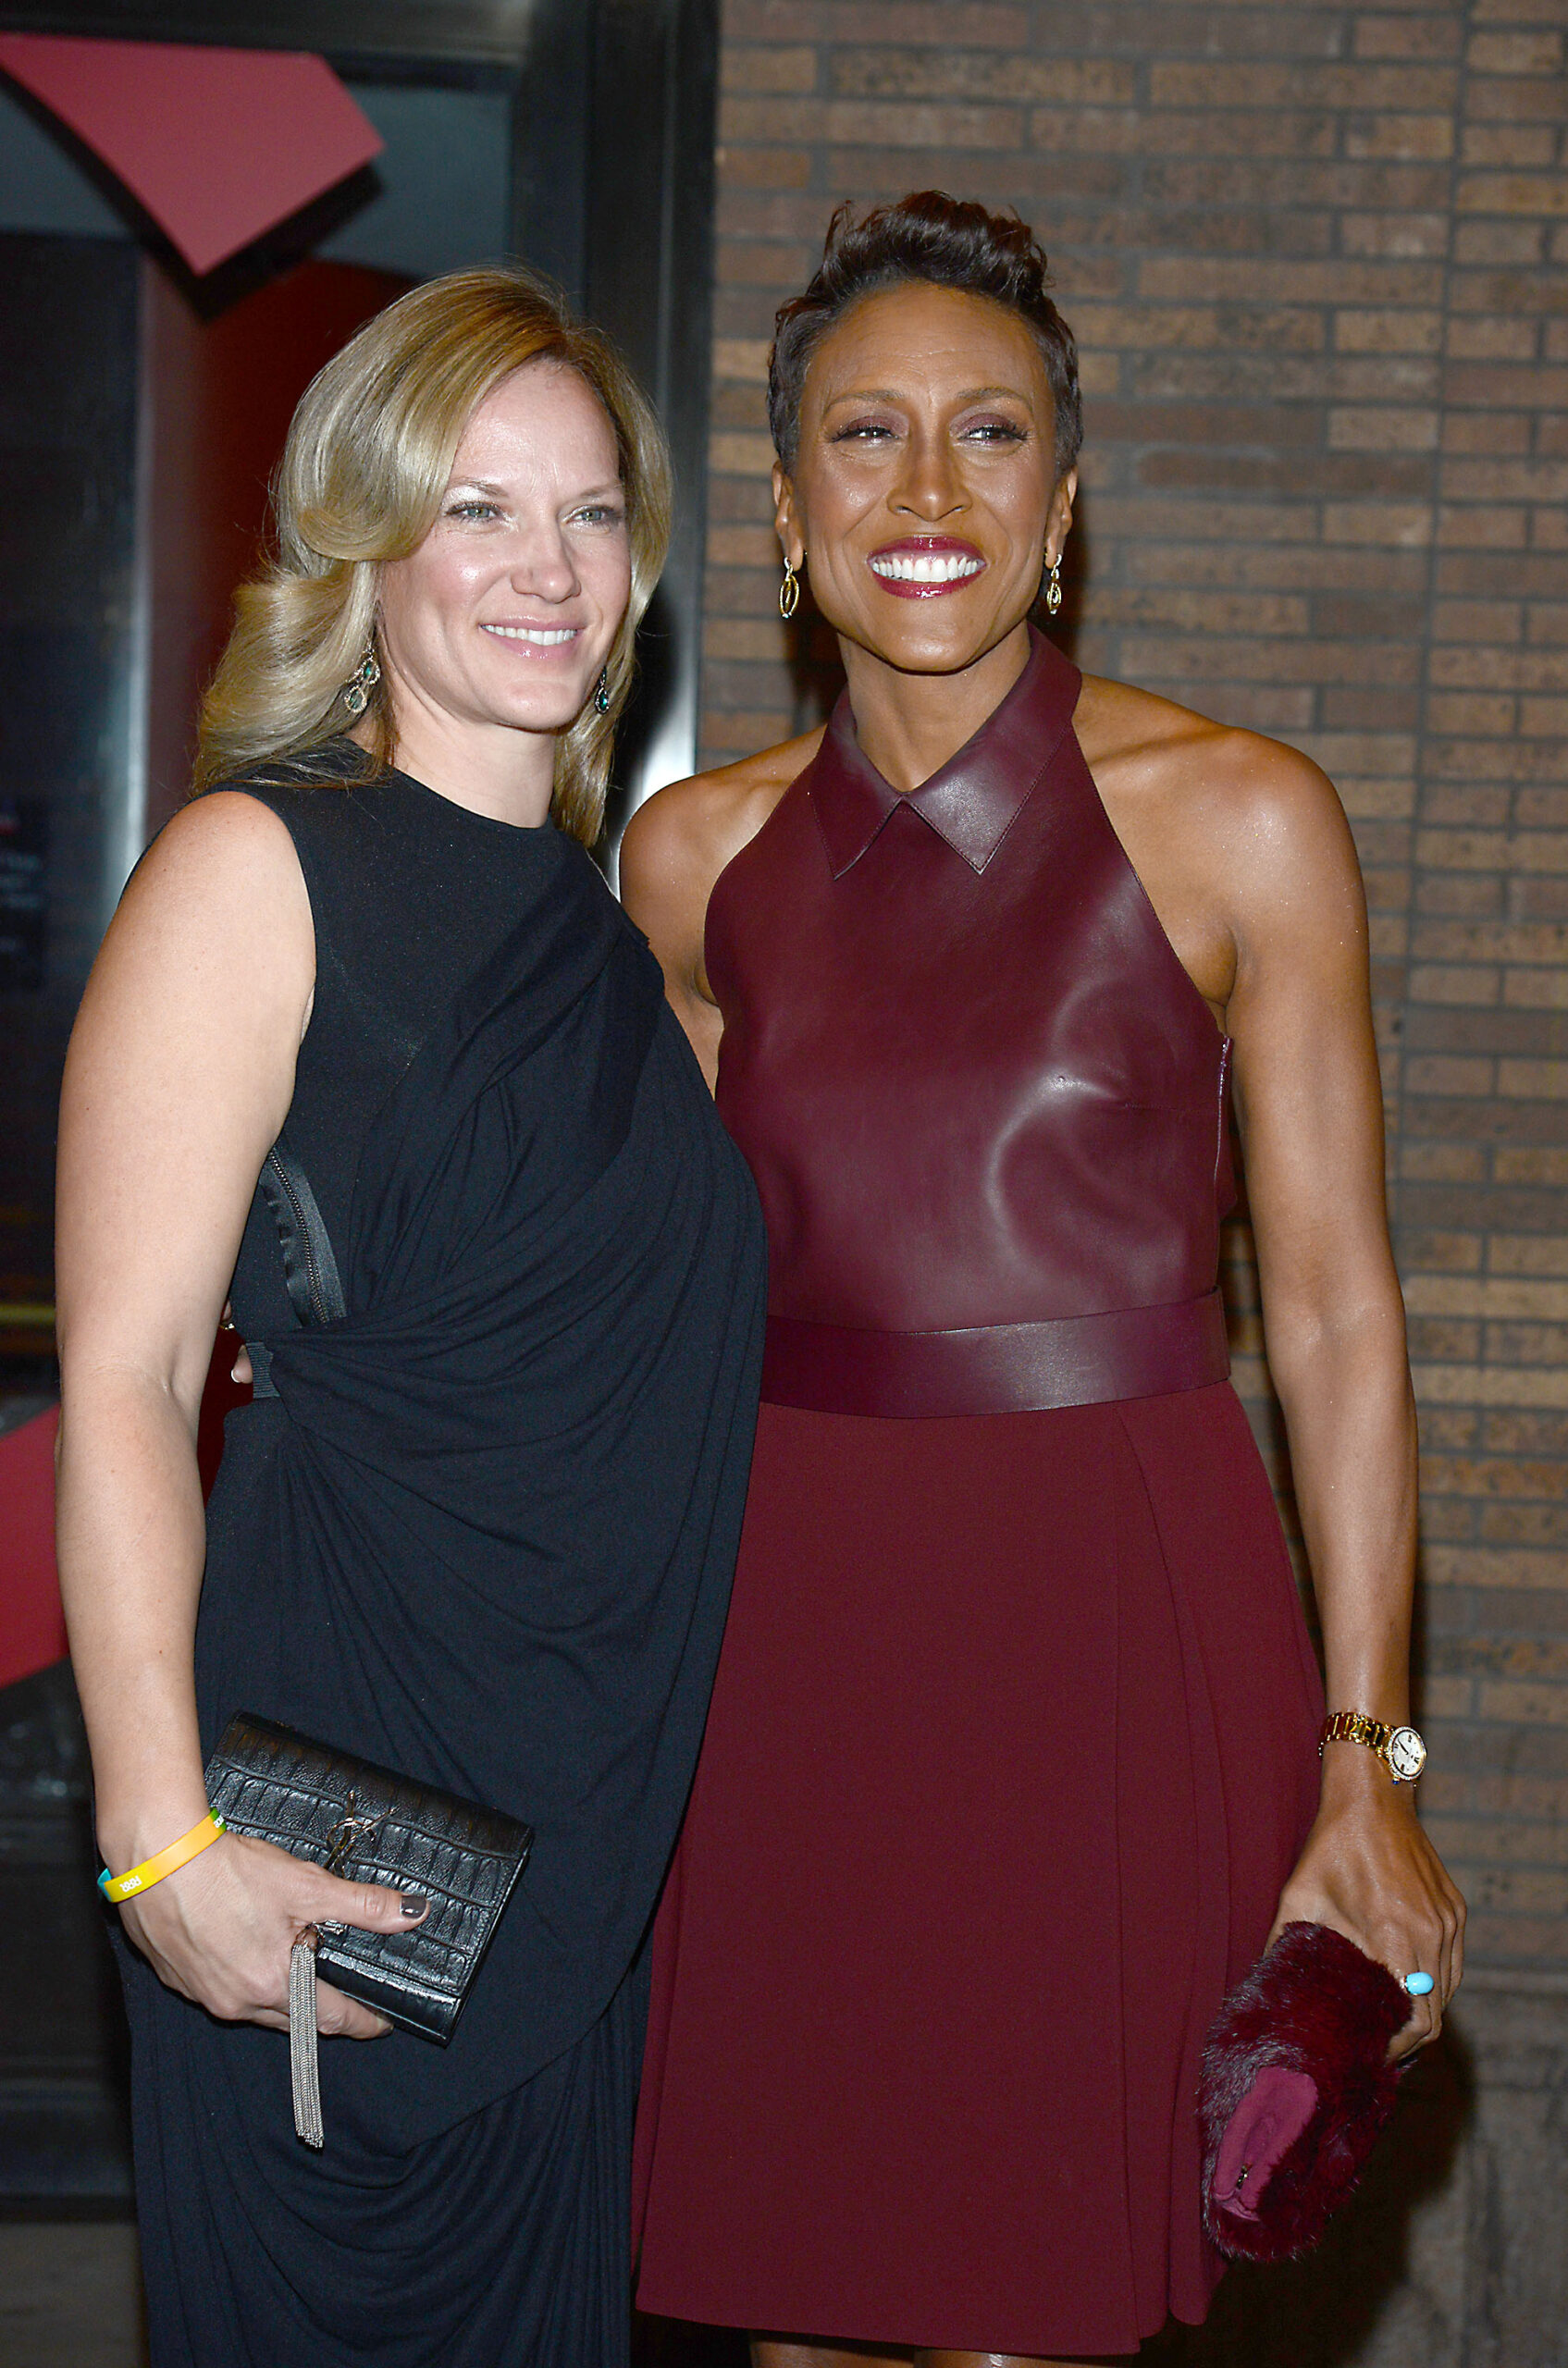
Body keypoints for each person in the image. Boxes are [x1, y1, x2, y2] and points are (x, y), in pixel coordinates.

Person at [623, 193, 1465, 2368]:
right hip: (782, 1654)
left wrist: (1365, 1753)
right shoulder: (687, 863)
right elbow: (651, 1323)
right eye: (864, 433)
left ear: (1062, 505)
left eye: (987, 432)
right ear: (787, 507)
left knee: (1030, 2311)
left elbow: (1336, 1316)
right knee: (797, 2303)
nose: (926, 487)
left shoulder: (1241, 817)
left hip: (1110, 1632)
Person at [54, 265, 765, 2368]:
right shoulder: (255, 871)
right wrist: (157, 1843)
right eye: (477, 509)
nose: (547, 567)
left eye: (590, 513)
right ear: (364, 546)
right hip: (327, 1851)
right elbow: (128, 1377)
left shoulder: (620, 948)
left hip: (578, 1853)